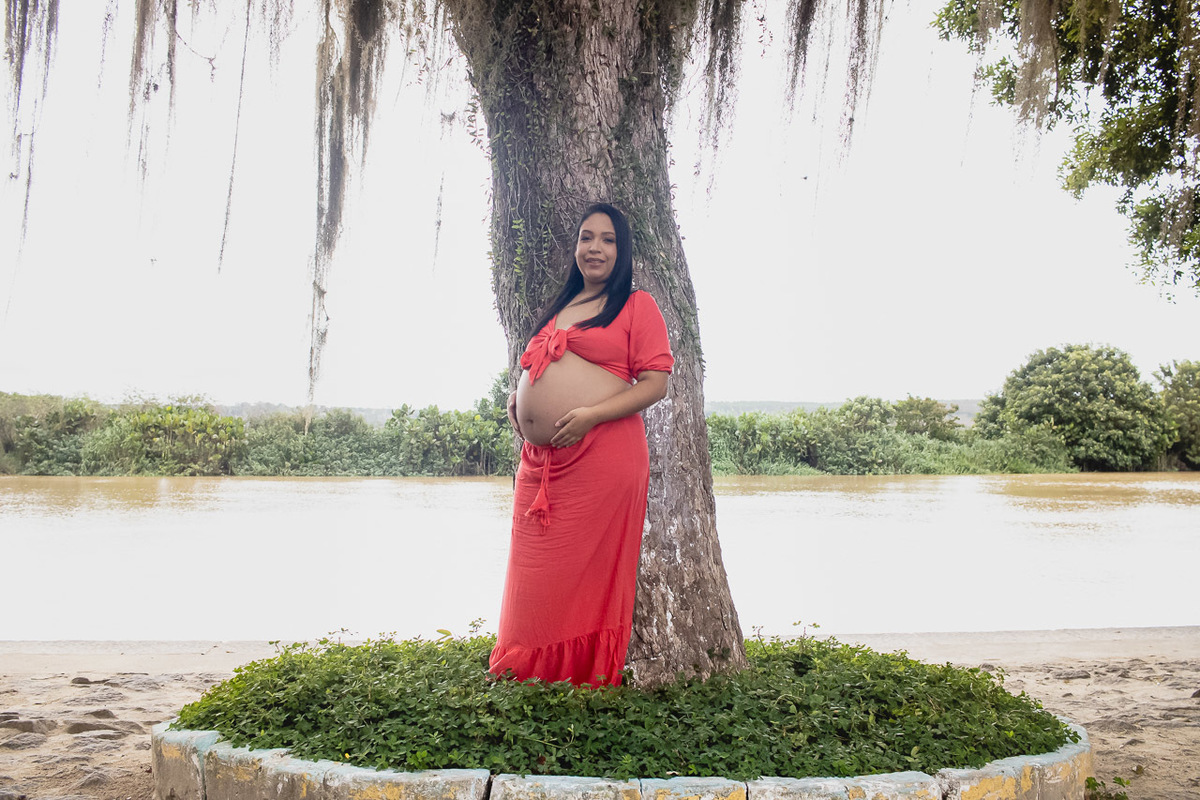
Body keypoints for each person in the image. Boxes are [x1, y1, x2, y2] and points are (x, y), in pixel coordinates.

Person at [489, 202, 674, 687]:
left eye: (608, 240)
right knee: (531, 578)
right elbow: (542, 366)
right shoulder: (562, 305)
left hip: (601, 459)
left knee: (582, 580)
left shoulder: (637, 306)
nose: (594, 248)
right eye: (586, 237)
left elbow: (655, 384)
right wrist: (519, 397)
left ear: (623, 250)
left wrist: (590, 415)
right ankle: (525, 677)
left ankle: (576, 681)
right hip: (543, 465)